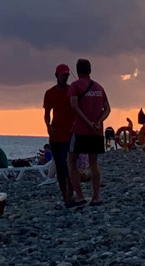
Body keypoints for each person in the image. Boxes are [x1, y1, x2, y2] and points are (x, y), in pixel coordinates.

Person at [67, 57, 111, 207]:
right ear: (90, 70)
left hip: (80, 130)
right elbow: (108, 109)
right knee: (93, 162)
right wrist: (98, 122)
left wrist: (88, 122)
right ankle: (96, 197)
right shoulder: (99, 88)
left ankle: (79, 196)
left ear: (78, 71)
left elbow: (74, 106)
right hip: (96, 132)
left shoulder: (75, 85)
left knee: (71, 160)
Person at [42, 63, 77, 207]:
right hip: (56, 135)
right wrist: (48, 126)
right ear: (57, 75)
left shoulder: (72, 91)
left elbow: (77, 110)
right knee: (61, 167)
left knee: (70, 165)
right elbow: (46, 114)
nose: (65, 78)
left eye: (67, 76)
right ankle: (65, 197)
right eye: (63, 75)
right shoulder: (50, 93)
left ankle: (71, 194)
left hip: (70, 134)